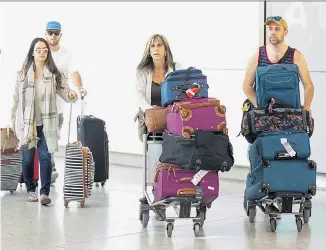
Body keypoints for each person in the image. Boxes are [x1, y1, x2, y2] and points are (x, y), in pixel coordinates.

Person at [242, 16, 314, 213]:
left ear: (285, 32)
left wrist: (306, 106)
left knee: (293, 150)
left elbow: (308, 85)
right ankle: (259, 187)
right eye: (270, 29)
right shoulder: (258, 55)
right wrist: (261, 107)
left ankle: (290, 185)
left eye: (277, 29)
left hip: (291, 115)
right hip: (265, 116)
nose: (273, 32)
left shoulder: (295, 56)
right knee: (260, 150)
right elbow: (246, 86)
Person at [11, 37, 78, 205]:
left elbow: (64, 90)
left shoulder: (53, 73)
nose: (42, 52)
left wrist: (70, 95)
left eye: (45, 50)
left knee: (45, 158)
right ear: (32, 53)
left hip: (47, 124)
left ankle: (44, 193)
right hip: (27, 124)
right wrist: (13, 121)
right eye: (38, 49)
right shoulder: (22, 74)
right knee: (27, 159)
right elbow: (16, 100)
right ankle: (31, 189)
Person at [135, 34, 181, 221]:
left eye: (159, 45)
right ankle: (156, 194)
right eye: (152, 46)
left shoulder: (175, 69)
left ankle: (170, 191)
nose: (155, 49)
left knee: (173, 156)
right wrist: (151, 110)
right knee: (154, 156)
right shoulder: (142, 71)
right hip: (152, 119)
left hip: (172, 118)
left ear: (165, 49)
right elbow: (139, 96)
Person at [44, 21, 87, 183]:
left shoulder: (66, 55)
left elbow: (74, 72)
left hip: (58, 105)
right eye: (50, 32)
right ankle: (48, 167)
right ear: (45, 34)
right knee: (40, 138)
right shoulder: (40, 51)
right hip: (39, 104)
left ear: (61, 35)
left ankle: (50, 165)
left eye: (56, 33)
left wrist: (80, 87)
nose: (53, 35)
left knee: (51, 137)